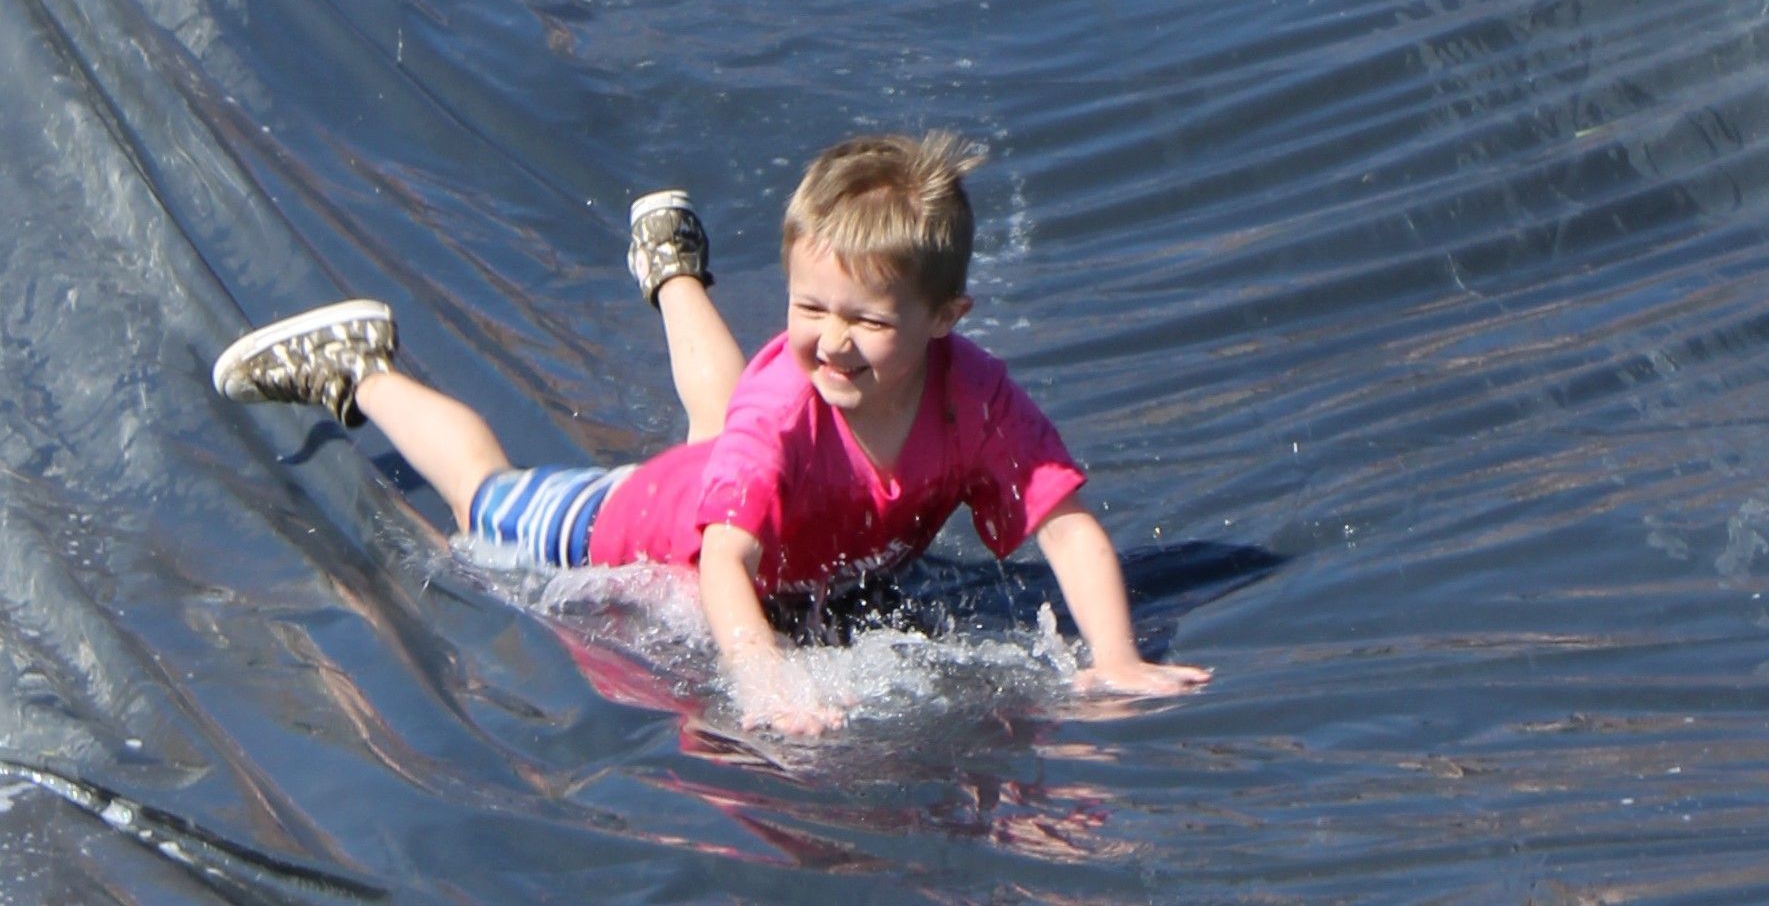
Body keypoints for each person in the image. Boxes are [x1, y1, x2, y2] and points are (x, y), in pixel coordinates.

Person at [213, 133, 1211, 735]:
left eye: (865, 320)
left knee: (722, 417)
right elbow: (725, 561)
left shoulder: (974, 393)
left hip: (746, 492)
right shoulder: (791, 399)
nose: (833, 340)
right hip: (636, 521)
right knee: (486, 495)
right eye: (807, 306)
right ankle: (359, 368)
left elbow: (1066, 521)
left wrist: (1112, 656)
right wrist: (764, 680)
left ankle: (672, 268)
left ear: (947, 317)